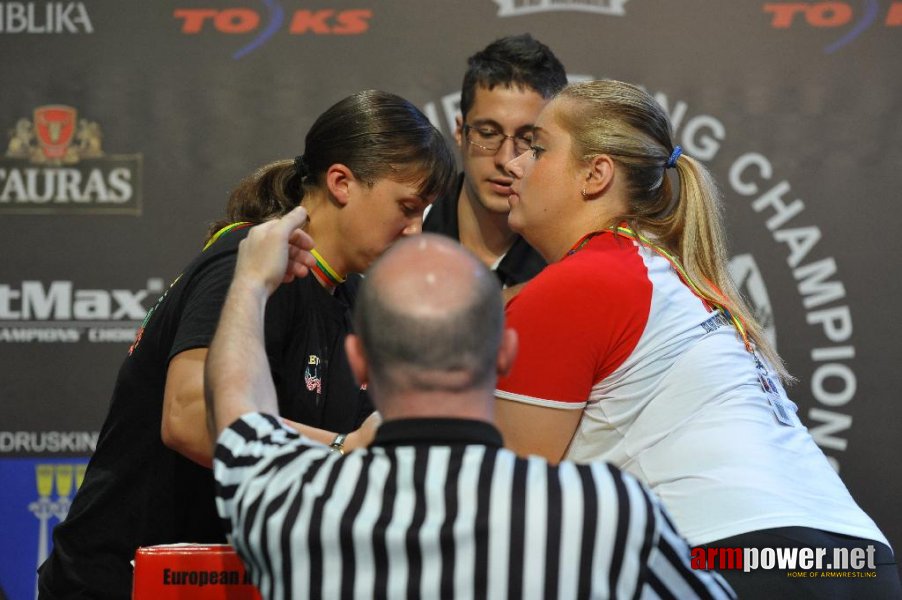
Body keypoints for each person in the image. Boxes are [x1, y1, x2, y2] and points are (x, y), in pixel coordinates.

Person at [37, 90, 456, 599]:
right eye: (407, 208)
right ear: (342, 182)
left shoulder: (357, 301)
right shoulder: (247, 262)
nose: (416, 232)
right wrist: (346, 451)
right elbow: (188, 416)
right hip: (123, 582)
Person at [492, 78, 901, 597]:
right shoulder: (676, 275)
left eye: (538, 148)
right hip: (859, 559)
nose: (514, 163)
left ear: (595, 174)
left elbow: (509, 490)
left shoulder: (581, 283)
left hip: (735, 556)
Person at [207, 212, 735, 599]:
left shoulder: (291, 502)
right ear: (505, 352)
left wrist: (251, 283)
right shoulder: (600, 510)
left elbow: (238, 413)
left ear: (359, 362)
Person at [423, 33, 566, 297]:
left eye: (527, 139)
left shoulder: (568, 266)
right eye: (488, 133)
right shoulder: (404, 239)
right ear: (459, 132)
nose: (505, 160)